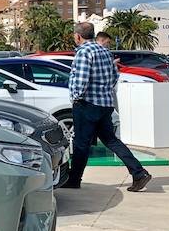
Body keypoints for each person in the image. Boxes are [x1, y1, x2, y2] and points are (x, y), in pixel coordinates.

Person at [64, 22, 152, 192]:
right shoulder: (105, 51)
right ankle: (138, 173)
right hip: (105, 103)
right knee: (111, 140)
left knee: (81, 143)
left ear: (78, 36)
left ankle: (74, 179)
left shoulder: (84, 52)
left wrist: (76, 98)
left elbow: (81, 80)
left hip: (87, 104)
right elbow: (113, 77)